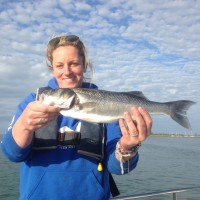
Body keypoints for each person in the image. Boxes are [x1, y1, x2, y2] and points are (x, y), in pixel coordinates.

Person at [1, 35, 152, 200]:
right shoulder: (33, 102)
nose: (67, 72)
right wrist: (24, 125)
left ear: (84, 66)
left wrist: (127, 147)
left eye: (74, 64)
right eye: (59, 65)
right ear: (52, 68)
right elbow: (12, 154)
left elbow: (118, 168)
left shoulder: (108, 106)